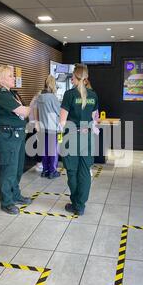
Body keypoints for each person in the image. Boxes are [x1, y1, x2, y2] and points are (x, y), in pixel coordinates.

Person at [0, 65, 32, 215]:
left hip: (18, 134)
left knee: (17, 168)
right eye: (10, 76)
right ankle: (7, 202)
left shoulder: (12, 94)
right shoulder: (2, 94)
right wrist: (33, 104)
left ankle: (15, 195)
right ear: (2, 79)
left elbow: (24, 112)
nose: (13, 78)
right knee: (9, 169)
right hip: (7, 136)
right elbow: (23, 111)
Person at [60, 64, 99, 216]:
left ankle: (76, 203)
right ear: (86, 78)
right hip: (88, 137)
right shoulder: (93, 95)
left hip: (72, 136)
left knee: (72, 171)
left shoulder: (69, 95)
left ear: (75, 78)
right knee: (85, 171)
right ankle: (81, 205)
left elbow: (62, 121)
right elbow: (95, 120)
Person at [36, 75, 61, 179]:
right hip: (53, 128)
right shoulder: (53, 98)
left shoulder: (40, 97)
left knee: (45, 150)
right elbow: (59, 112)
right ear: (53, 84)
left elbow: (37, 111)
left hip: (42, 128)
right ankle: (52, 171)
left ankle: (45, 170)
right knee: (54, 150)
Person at [28, 91, 43, 173]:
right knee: (39, 145)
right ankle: (39, 163)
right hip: (36, 125)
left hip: (32, 125)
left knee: (37, 145)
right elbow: (36, 113)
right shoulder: (37, 101)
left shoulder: (34, 100)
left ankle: (39, 163)